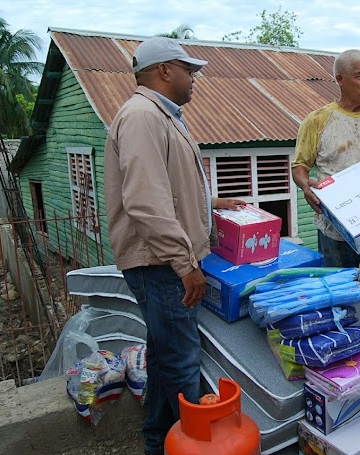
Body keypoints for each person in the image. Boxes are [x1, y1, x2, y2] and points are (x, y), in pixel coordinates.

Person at [104, 37, 244, 455]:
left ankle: (158, 443)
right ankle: (195, 446)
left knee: (166, 360)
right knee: (182, 363)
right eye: (189, 69)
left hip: (163, 259)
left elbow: (168, 186)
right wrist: (185, 264)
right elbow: (146, 201)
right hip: (161, 263)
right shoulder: (144, 116)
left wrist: (212, 202)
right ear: (164, 70)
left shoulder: (163, 116)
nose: (194, 77)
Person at [291, 49, 360, 320]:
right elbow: (300, 167)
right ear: (340, 79)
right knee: (338, 301)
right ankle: (347, 355)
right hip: (335, 229)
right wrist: (306, 187)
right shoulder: (317, 120)